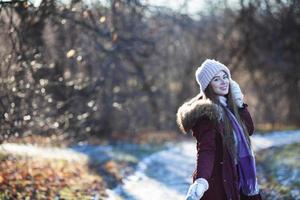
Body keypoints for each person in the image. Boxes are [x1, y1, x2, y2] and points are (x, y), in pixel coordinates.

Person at [176, 59, 263, 200]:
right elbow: (206, 150)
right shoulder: (208, 114)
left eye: (225, 77)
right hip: (220, 182)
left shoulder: (230, 107)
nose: (223, 82)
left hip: (237, 176)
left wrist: (239, 103)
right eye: (216, 79)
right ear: (208, 85)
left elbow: (249, 129)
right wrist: (201, 181)